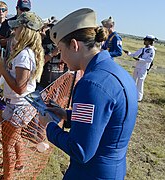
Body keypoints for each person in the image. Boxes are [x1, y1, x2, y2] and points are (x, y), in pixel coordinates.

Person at [39, 8, 138, 179]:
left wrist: (49, 126)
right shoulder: (117, 73)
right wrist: (66, 115)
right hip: (111, 170)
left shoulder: (91, 84)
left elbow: (80, 150)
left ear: (74, 45)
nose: (61, 58)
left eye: (61, 50)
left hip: (89, 173)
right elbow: (105, 121)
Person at [0, 11, 44, 179]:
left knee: (7, 144)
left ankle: (6, 177)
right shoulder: (28, 52)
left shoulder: (24, 55)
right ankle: (20, 162)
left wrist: (2, 69)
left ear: (24, 30)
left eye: (16, 28)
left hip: (17, 105)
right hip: (21, 105)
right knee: (15, 137)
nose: (13, 31)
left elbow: (20, 88)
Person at [124, 35, 157, 102]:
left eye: (146, 40)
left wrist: (140, 59)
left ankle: (139, 97)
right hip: (138, 66)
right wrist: (128, 53)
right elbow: (134, 54)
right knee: (134, 80)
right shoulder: (142, 49)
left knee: (140, 81)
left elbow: (149, 60)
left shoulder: (152, 50)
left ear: (150, 42)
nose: (144, 41)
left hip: (144, 67)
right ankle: (132, 94)